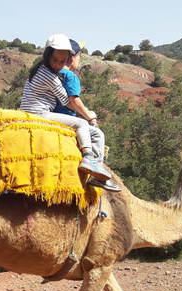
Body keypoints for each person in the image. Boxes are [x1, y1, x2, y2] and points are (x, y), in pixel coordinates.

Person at [19, 33, 118, 191]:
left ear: (68, 59)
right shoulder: (49, 76)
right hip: (38, 114)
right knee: (80, 124)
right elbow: (68, 101)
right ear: (47, 56)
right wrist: (88, 115)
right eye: (55, 60)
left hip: (32, 112)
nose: (58, 64)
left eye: (62, 61)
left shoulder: (41, 69)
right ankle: (88, 158)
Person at [54, 39, 121, 191]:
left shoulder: (54, 75)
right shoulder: (71, 77)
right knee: (97, 134)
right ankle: (97, 173)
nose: (79, 61)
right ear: (71, 58)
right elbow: (74, 100)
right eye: (79, 58)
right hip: (65, 119)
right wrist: (89, 116)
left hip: (53, 114)